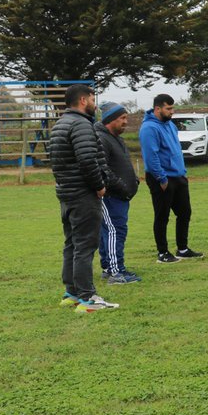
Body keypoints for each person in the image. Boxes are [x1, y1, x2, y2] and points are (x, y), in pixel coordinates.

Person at [50, 84, 118, 312]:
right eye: (92, 99)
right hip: (82, 195)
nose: (94, 103)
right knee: (85, 245)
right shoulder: (80, 125)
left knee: (71, 244)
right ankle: (88, 298)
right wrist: (99, 186)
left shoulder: (60, 124)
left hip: (66, 194)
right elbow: (88, 159)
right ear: (82, 100)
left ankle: (72, 292)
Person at [139, 93, 203, 263]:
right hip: (161, 178)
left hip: (178, 176)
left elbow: (174, 150)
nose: (172, 111)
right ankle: (162, 253)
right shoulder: (149, 128)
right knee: (162, 215)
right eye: (168, 108)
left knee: (184, 213)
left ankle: (182, 248)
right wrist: (161, 178)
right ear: (157, 108)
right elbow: (151, 156)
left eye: (173, 108)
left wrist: (182, 171)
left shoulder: (171, 125)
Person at [95, 102, 141, 284]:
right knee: (115, 231)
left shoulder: (116, 138)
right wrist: (121, 186)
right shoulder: (101, 139)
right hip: (112, 196)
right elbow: (102, 169)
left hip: (121, 196)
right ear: (110, 120)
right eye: (122, 118)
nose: (126, 121)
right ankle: (116, 272)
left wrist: (134, 180)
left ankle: (109, 267)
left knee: (110, 231)